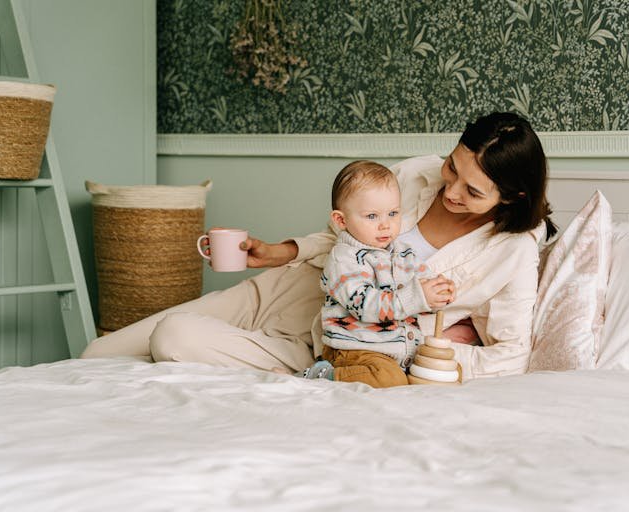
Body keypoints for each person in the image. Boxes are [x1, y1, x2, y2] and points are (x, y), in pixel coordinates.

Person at [81, 111, 557, 381]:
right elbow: (341, 236)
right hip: (292, 290)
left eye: (473, 192)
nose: (452, 190)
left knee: (173, 338)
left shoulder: (511, 252)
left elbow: (511, 352)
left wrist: (431, 352)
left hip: (333, 348)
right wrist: (278, 252)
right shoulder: (417, 173)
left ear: (512, 196)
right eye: (454, 168)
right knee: (96, 358)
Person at [295, 160, 454, 387]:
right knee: (388, 379)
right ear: (341, 220)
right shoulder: (344, 259)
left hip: (400, 351)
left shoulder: (402, 253)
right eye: (372, 216)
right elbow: (366, 306)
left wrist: (438, 293)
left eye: (393, 213)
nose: (385, 225)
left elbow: (422, 287)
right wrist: (418, 296)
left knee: (446, 372)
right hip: (354, 349)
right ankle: (320, 376)